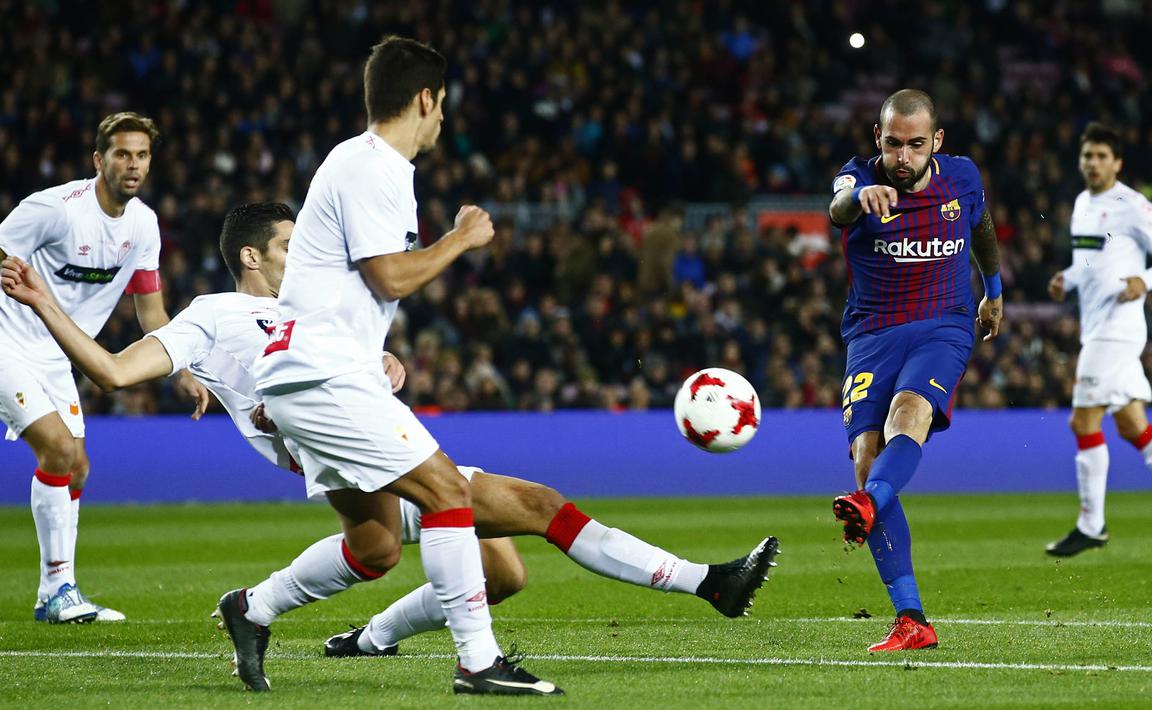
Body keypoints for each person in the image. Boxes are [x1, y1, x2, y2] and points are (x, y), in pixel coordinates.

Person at [0, 203, 780, 662]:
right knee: (539, 505)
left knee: (456, 565)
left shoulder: (309, 308)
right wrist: (42, 302)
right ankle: (706, 582)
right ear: (249, 255)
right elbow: (110, 370)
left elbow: (358, 353)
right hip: (337, 444)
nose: (302, 255)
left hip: (362, 435)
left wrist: (384, 364)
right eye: (286, 247)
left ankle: (292, 618)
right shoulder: (213, 314)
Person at [0, 112, 208, 625]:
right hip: (7, 338)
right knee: (59, 449)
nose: (132, 164)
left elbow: (151, 313)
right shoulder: (55, 210)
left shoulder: (143, 225)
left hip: (54, 355)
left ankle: (55, 594)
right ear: (99, 159)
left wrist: (179, 367)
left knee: (78, 466)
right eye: (121, 154)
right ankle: (59, 590)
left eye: (141, 155)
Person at [826, 90, 1003, 652]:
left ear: (937, 142)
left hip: (943, 324)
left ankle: (871, 501)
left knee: (911, 413)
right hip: (872, 334)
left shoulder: (963, 178)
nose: (903, 157)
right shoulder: (855, 179)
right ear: (878, 138)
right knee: (865, 461)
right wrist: (859, 196)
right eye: (893, 143)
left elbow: (983, 228)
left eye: (916, 145)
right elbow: (838, 208)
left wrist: (993, 291)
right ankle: (912, 620)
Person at [1044, 122, 1152, 558]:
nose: (1094, 163)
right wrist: (1066, 279)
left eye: (1102, 156)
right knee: (1131, 424)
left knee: (1082, 422)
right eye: (1088, 156)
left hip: (1118, 330)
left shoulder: (1133, 205)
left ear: (1117, 163)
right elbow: (1090, 262)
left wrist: (1144, 280)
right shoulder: (1083, 203)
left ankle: (1092, 524)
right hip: (1098, 327)